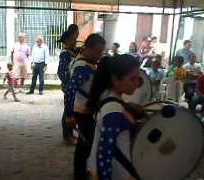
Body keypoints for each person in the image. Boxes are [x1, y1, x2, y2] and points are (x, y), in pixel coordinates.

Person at [87, 55, 141, 180]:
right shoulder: (113, 112)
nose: (137, 84)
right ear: (115, 79)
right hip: (118, 174)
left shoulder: (109, 97)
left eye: (138, 79)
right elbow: (105, 153)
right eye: (132, 79)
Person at [64, 33, 106, 180]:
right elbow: (70, 91)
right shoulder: (82, 67)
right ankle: (79, 175)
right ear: (88, 48)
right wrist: (69, 115)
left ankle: (80, 173)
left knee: (85, 144)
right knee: (85, 146)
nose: (100, 55)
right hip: (82, 112)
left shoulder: (88, 62)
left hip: (86, 111)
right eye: (98, 51)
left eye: (102, 51)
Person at [57, 30, 77, 144]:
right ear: (67, 40)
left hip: (72, 86)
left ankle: (70, 134)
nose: (75, 41)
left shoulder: (72, 52)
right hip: (69, 86)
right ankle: (67, 136)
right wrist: (68, 83)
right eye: (73, 39)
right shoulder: (65, 54)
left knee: (71, 111)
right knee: (68, 111)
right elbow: (60, 72)